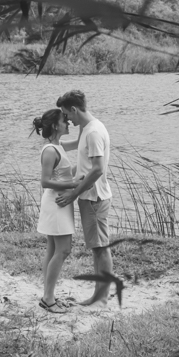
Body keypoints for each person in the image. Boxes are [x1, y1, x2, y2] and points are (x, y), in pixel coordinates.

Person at [53, 90, 114, 307]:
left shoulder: (93, 132)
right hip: (89, 196)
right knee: (97, 247)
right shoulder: (87, 128)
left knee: (101, 247)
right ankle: (98, 295)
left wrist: (73, 194)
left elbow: (97, 169)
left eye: (66, 114)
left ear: (74, 109)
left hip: (94, 196)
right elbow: (76, 147)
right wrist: (52, 144)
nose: (66, 118)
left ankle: (103, 297)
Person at [32, 108, 78, 312]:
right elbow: (45, 181)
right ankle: (48, 300)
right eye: (64, 121)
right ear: (55, 126)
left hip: (61, 202)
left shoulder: (59, 146)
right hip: (56, 203)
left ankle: (48, 295)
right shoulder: (50, 150)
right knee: (63, 249)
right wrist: (75, 184)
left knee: (52, 250)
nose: (68, 124)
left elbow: (80, 144)